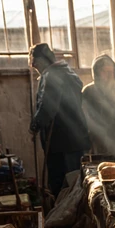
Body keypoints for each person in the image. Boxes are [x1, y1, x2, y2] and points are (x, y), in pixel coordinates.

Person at [29, 43, 91, 197]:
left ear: (40, 60)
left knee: (62, 184)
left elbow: (47, 106)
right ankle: (76, 214)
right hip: (76, 137)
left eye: (34, 63)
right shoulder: (69, 73)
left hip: (60, 141)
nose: (34, 66)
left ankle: (63, 216)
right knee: (76, 181)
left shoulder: (51, 75)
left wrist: (35, 125)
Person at [82, 54, 115, 155]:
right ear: (96, 73)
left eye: (111, 71)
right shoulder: (88, 92)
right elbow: (85, 118)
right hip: (96, 141)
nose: (109, 75)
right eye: (105, 72)